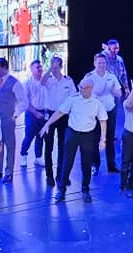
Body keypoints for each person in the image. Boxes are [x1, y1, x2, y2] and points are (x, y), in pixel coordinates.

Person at [40, 77, 108, 204]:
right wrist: (47, 124)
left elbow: (103, 120)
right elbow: (59, 112)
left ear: (90, 89)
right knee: (67, 162)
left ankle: (85, 189)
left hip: (87, 135)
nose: (80, 89)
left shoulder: (97, 102)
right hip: (72, 133)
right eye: (80, 86)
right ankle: (61, 190)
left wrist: (103, 139)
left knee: (86, 163)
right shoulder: (73, 99)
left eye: (83, 88)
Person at [0, 57, 26, 183]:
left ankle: (9, 171)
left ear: (4, 68)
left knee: (10, 145)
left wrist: (15, 115)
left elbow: (24, 102)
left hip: (8, 119)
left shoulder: (15, 83)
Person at [42, 55, 77, 187]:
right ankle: (49, 175)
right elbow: (41, 82)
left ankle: (61, 175)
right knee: (49, 146)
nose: (55, 69)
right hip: (50, 115)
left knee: (63, 146)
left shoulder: (68, 81)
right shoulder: (48, 80)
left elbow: (73, 97)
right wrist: (50, 70)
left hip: (63, 116)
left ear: (61, 67)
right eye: (53, 66)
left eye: (57, 66)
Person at [85, 53, 122, 173]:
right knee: (95, 138)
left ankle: (111, 164)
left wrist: (112, 90)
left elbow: (119, 93)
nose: (102, 65)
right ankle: (95, 164)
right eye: (99, 63)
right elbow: (83, 92)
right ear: (94, 63)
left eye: (104, 63)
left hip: (109, 110)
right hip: (95, 112)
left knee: (110, 138)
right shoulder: (90, 76)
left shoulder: (111, 76)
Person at [20, 60, 48, 169]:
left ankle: (38, 157)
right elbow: (25, 102)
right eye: (37, 67)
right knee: (29, 135)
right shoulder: (26, 83)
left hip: (44, 112)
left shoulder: (46, 81)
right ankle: (23, 154)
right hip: (31, 113)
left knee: (41, 135)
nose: (40, 69)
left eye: (41, 67)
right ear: (31, 69)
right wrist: (35, 113)